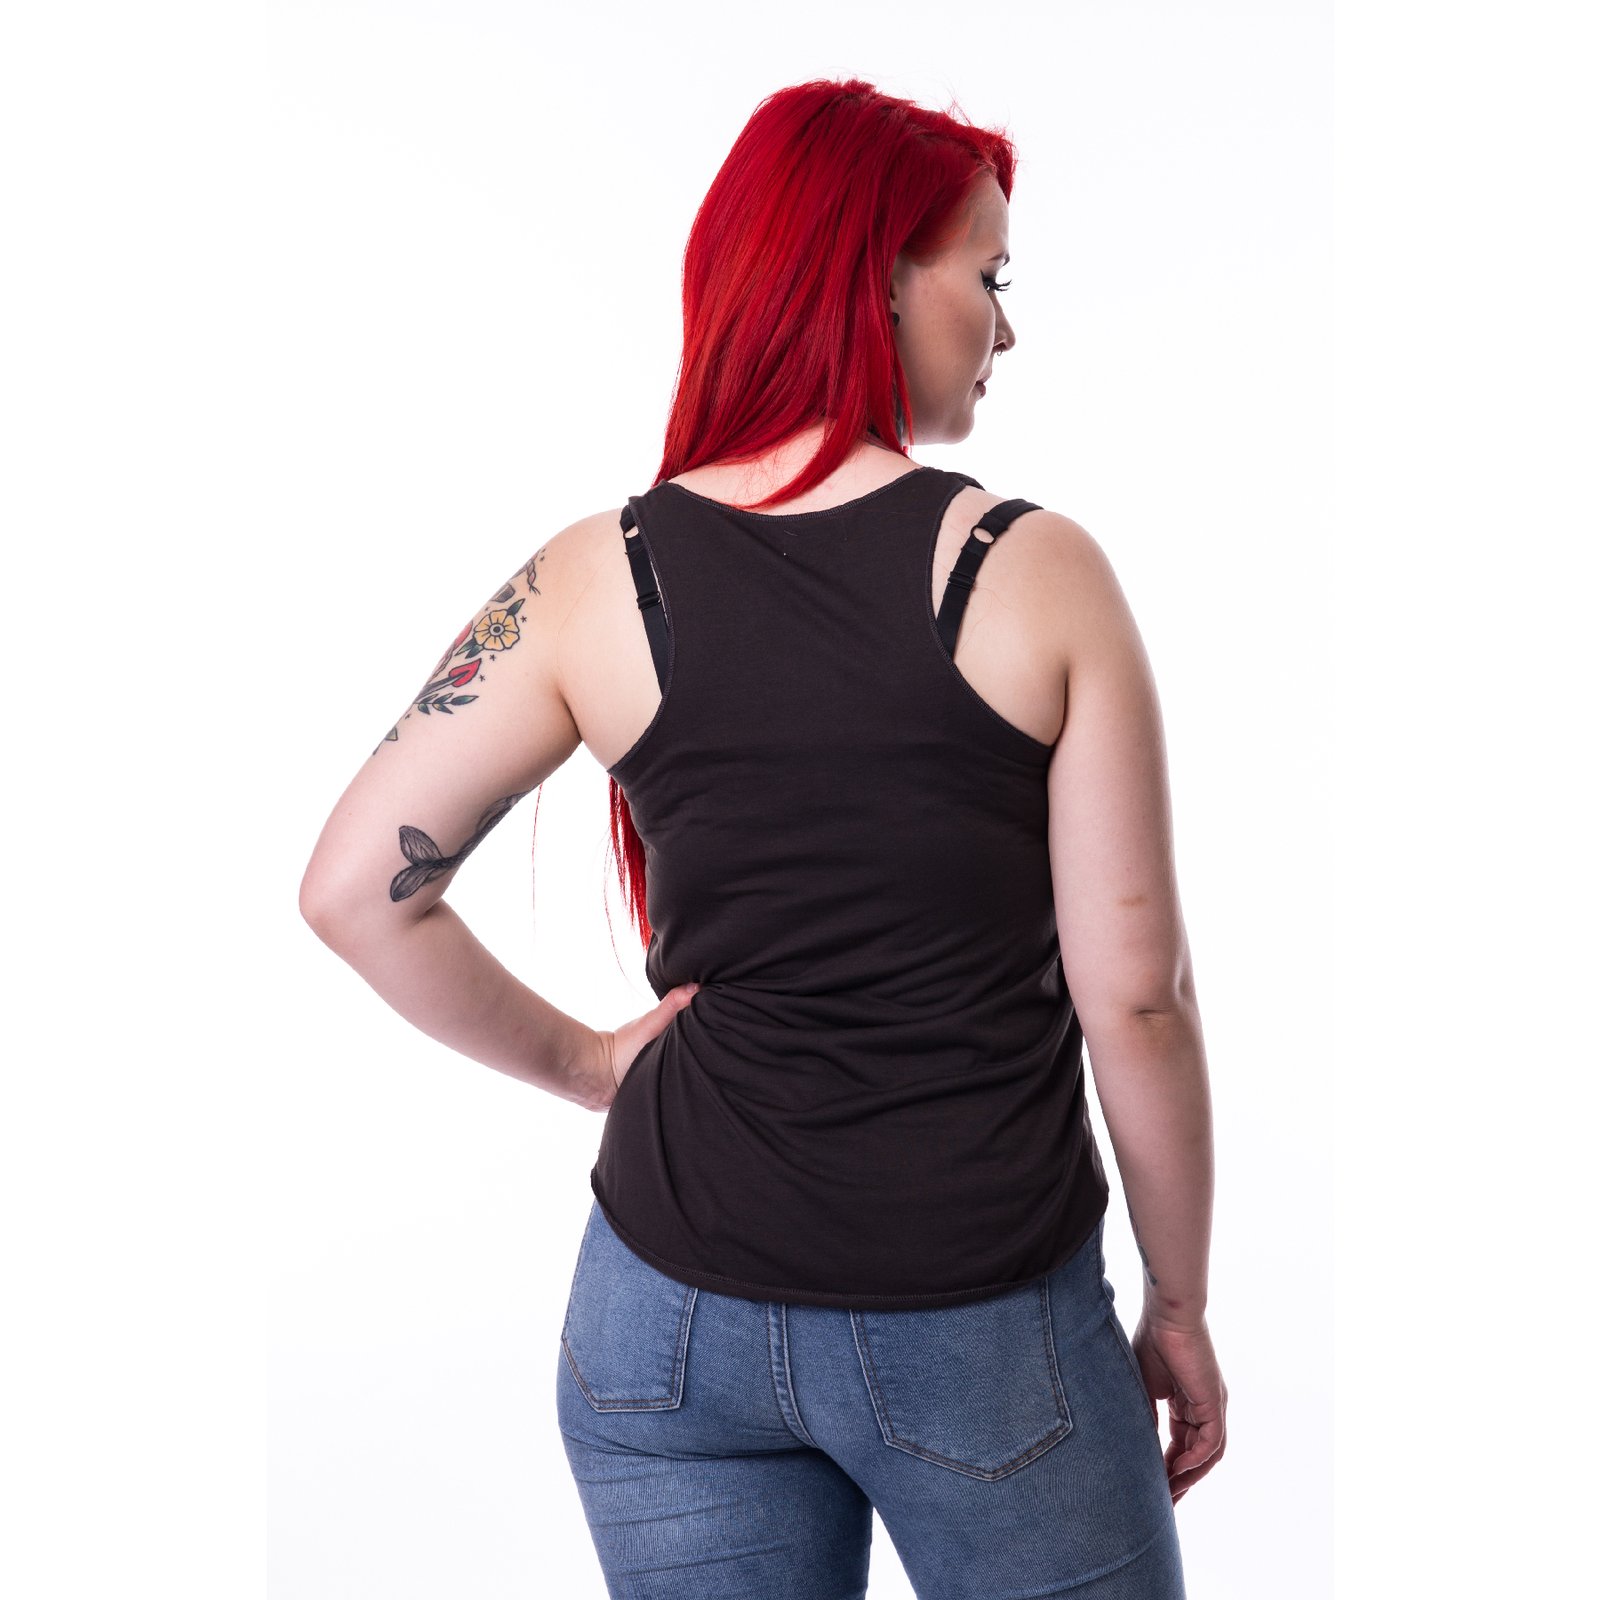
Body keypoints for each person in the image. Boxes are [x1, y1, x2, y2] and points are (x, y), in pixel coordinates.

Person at [300, 76, 1225, 1600]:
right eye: (988, 276)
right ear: (877, 278)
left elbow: (354, 890)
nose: (1004, 329)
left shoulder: (598, 578)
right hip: (982, 1331)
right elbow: (1138, 996)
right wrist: (1177, 1306)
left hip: (662, 1330)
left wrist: (594, 1067)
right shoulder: (1032, 571)